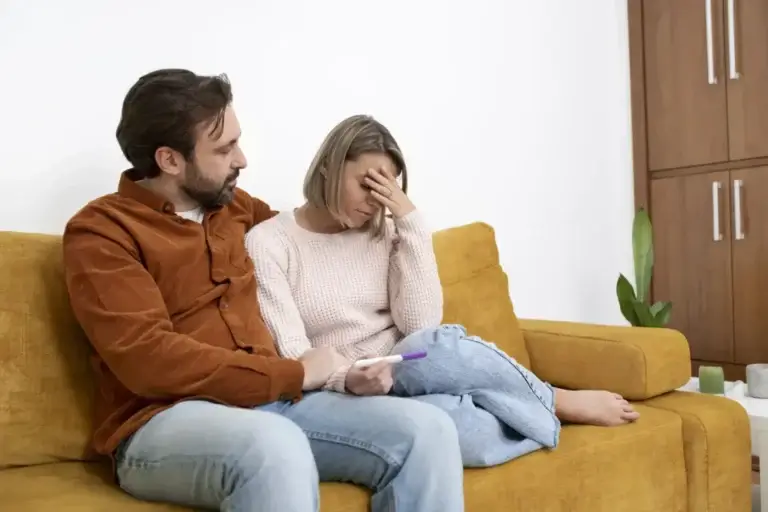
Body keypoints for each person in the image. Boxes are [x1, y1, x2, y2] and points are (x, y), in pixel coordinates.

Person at [62, 70, 464, 512]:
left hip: (276, 407)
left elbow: (307, 250)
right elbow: (149, 360)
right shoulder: (102, 232)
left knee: (429, 430)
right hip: (163, 423)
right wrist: (295, 375)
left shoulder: (237, 209)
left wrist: (390, 217)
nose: (242, 159)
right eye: (224, 148)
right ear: (169, 160)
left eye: (237, 141)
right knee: (273, 445)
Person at [245, 114, 642, 468]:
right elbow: (294, 355)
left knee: (440, 345)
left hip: (411, 361)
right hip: (348, 387)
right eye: (367, 182)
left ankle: (554, 401)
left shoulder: (386, 232)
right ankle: (531, 404)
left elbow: (420, 325)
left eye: (386, 188)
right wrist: (347, 377)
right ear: (329, 166)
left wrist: (410, 223)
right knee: (469, 433)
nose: (374, 200)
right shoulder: (270, 243)